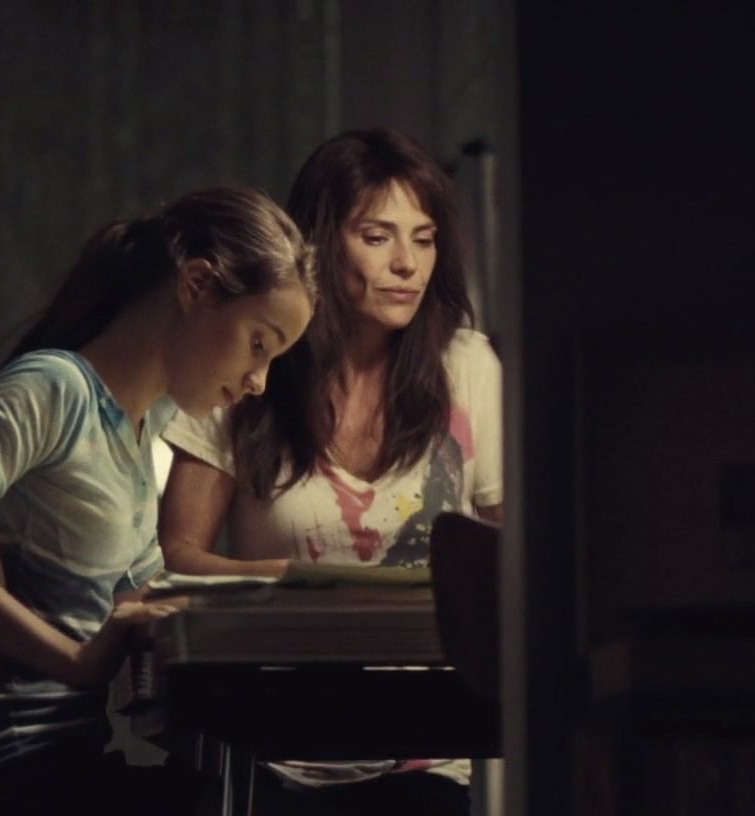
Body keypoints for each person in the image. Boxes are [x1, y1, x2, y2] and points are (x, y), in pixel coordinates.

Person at [0, 187, 318, 815]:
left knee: (266, 795)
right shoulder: (55, 390)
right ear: (195, 285)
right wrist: (75, 660)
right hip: (11, 772)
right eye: (259, 344)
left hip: (72, 759)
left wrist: (282, 585)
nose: (258, 381)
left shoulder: (140, 427)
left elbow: (140, 594)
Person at [158, 129, 502, 814]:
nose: (406, 263)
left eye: (424, 239)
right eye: (376, 237)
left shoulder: (467, 367)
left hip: (430, 744)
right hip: (271, 743)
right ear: (318, 243)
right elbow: (179, 554)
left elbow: (507, 563)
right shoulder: (251, 360)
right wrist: (297, 582)